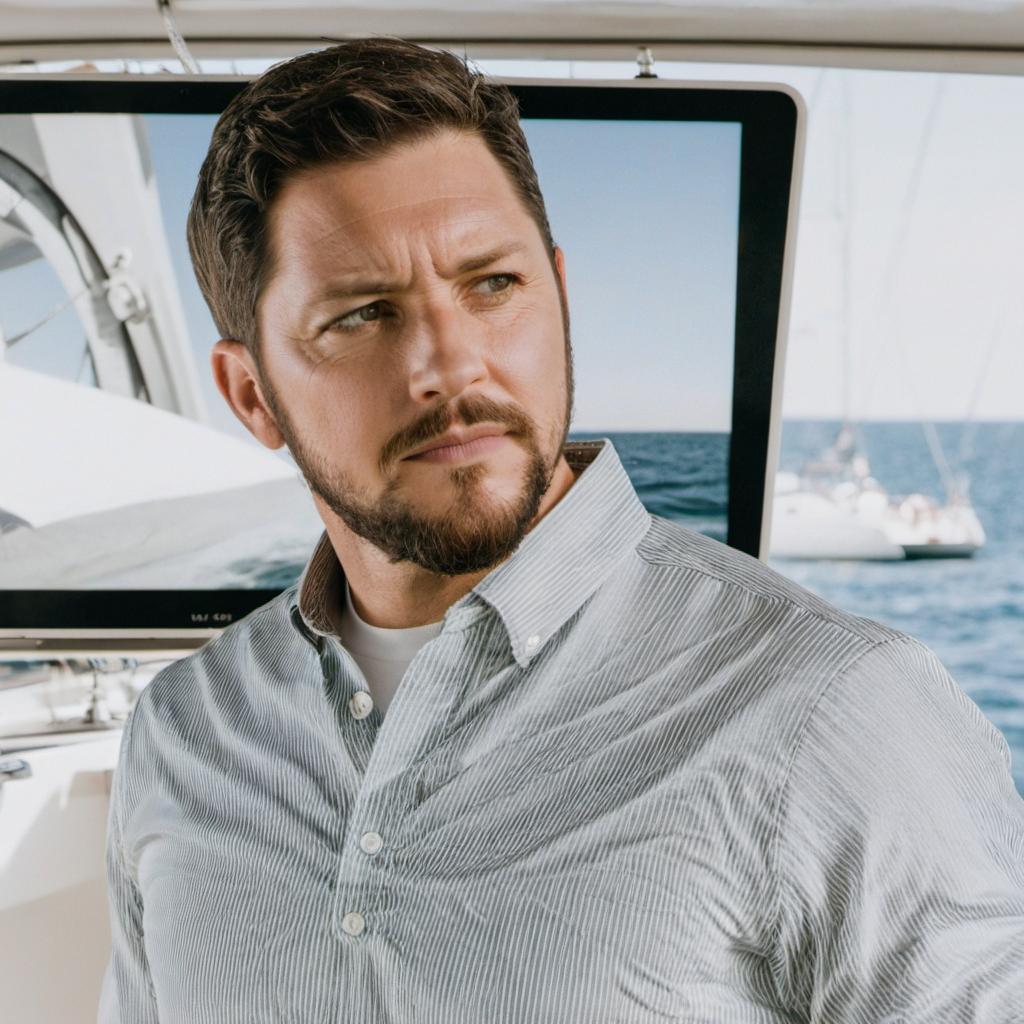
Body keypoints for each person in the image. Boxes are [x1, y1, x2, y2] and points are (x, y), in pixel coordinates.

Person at [99, 37, 1024, 1023]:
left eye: (493, 284)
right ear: (253, 395)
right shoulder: (181, 734)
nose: (451, 366)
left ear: (560, 295)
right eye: (365, 313)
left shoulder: (833, 708)